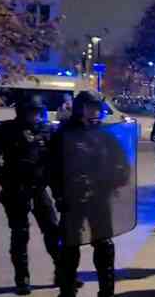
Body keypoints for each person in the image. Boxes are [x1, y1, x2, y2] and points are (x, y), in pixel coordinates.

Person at [0, 96, 79, 295]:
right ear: (22, 111)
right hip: (15, 189)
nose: (35, 116)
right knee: (20, 234)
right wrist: (4, 177)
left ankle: (62, 273)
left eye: (37, 111)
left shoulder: (46, 131)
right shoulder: (6, 130)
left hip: (38, 188)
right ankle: (22, 278)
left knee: (53, 231)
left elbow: (55, 161)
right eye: (31, 111)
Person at [50, 91, 130, 297]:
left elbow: (121, 161)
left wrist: (117, 179)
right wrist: (59, 195)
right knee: (70, 245)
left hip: (100, 197)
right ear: (80, 108)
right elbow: (51, 167)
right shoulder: (64, 133)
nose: (95, 111)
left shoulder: (104, 134)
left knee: (104, 244)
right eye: (91, 106)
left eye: (97, 107)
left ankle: (107, 291)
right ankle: (67, 290)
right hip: (72, 197)